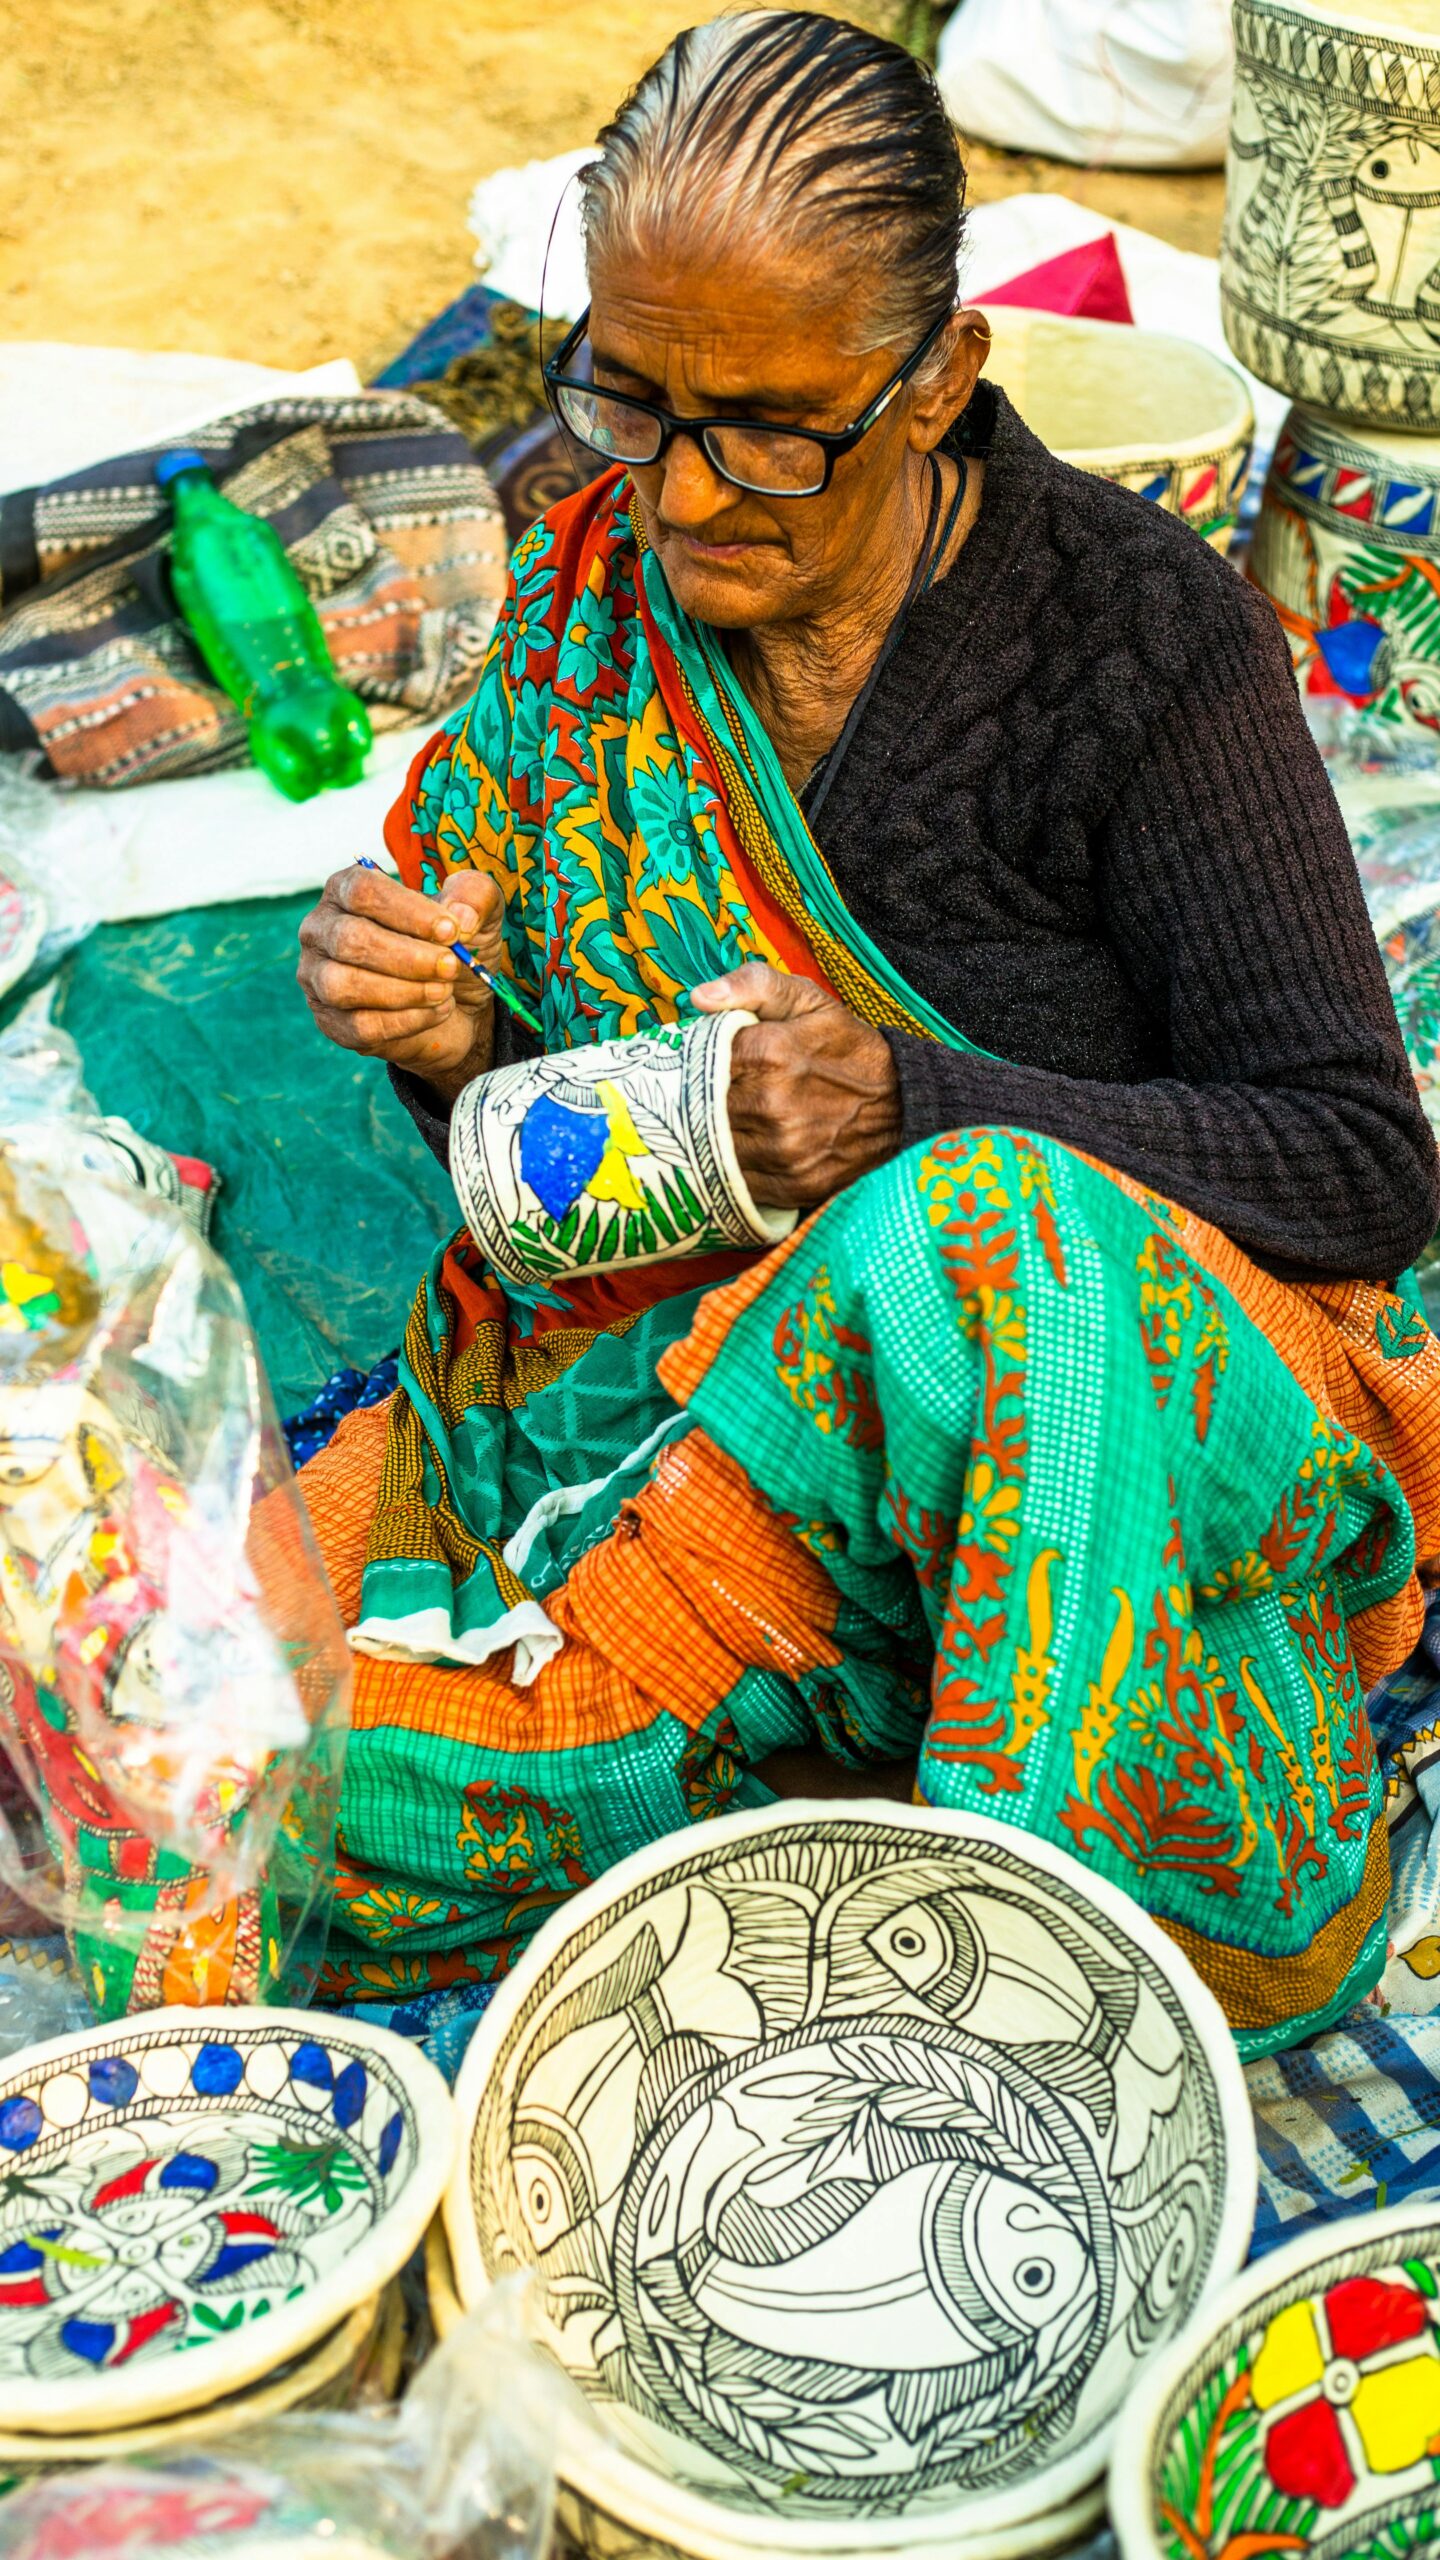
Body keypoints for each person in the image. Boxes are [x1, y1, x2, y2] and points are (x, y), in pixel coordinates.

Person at [295, 10, 1440, 2059]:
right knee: (163, 1731)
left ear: (937, 382)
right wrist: (448, 1037)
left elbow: (1357, 1159)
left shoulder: (1136, 640)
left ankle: (1024, 1975)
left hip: (1079, 1451)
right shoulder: (587, 571)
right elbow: (560, 1174)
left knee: (977, 1223)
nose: (681, 483)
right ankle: (781, 1741)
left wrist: (910, 1101)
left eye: (769, 422)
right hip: (660, 1435)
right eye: (627, 394)